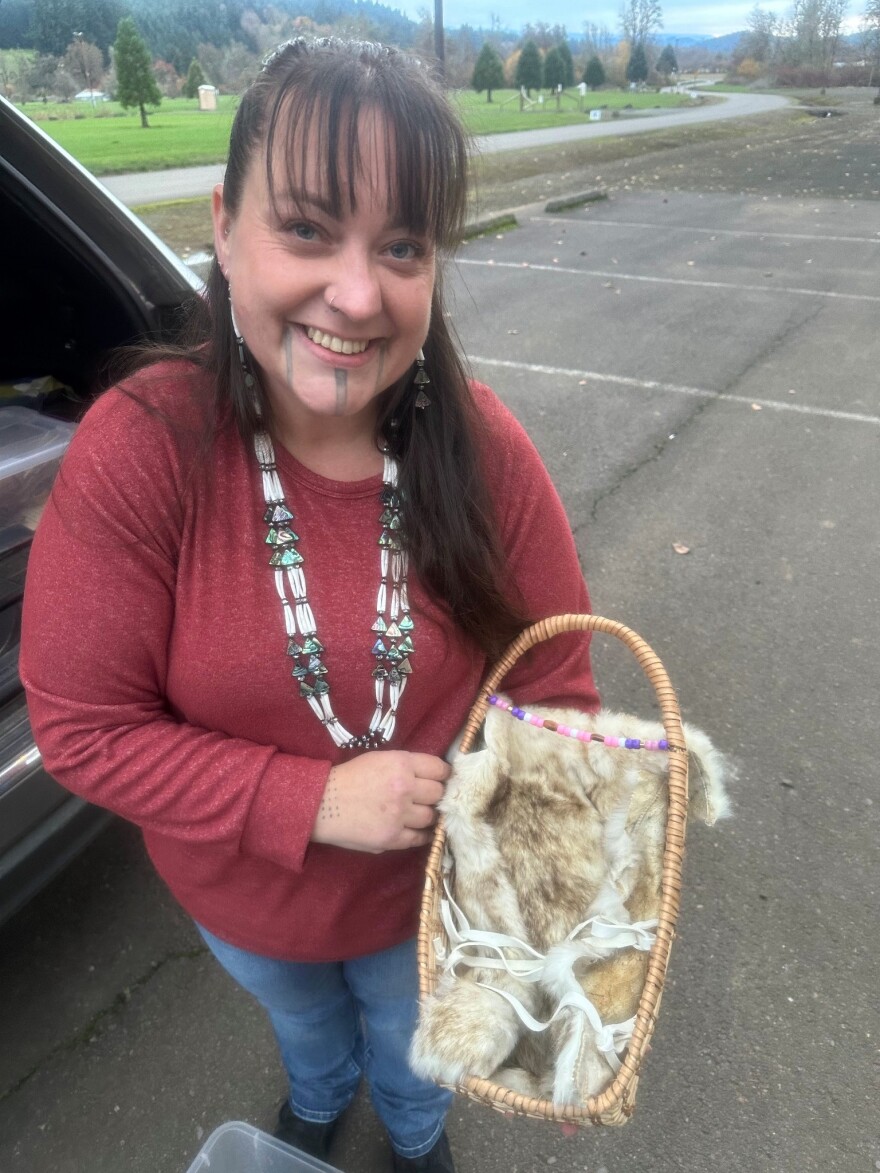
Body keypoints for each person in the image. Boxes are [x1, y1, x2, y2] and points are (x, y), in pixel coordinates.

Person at [20, 37, 600, 1173]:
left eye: (402, 246)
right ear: (225, 225)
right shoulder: (141, 451)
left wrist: (536, 863)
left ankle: (414, 1134)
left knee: (416, 1050)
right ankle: (320, 1094)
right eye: (306, 229)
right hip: (245, 906)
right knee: (308, 1028)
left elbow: (556, 689)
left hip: (428, 909)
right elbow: (84, 732)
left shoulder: (486, 452)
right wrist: (313, 799)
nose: (357, 294)